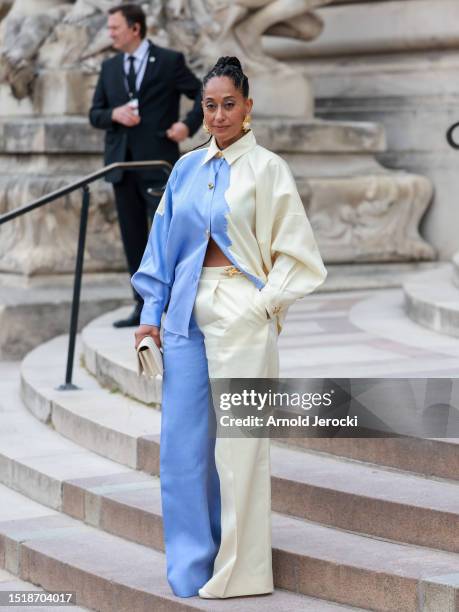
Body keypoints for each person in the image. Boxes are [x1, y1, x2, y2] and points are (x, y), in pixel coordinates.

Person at [132, 56, 327, 599]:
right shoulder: (187, 168)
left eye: (228, 105)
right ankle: (192, 567)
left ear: (248, 106)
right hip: (183, 316)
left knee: (240, 446)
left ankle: (242, 571)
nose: (216, 115)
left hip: (241, 308)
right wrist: (150, 316)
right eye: (209, 105)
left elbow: (300, 255)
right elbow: (160, 247)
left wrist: (262, 306)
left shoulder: (268, 169)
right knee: (181, 447)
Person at [88, 3, 203, 328]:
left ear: (135, 28)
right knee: (133, 237)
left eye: (114, 28)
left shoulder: (169, 61)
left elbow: (201, 93)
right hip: (121, 166)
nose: (109, 34)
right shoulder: (109, 67)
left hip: (158, 162)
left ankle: (178, 302)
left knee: (168, 237)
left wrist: (187, 126)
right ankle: (142, 305)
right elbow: (95, 113)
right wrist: (114, 114)